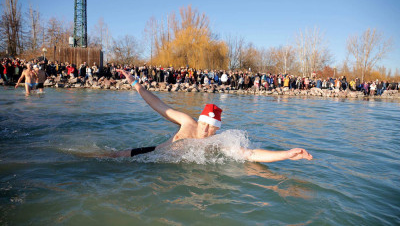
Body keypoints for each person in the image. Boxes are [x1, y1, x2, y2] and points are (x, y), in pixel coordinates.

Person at [106, 69, 313, 163]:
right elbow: (157, 104)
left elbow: (250, 155)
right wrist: (134, 83)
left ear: (217, 130)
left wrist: (286, 154)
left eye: (210, 128)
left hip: (167, 169)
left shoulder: (216, 143)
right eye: (204, 124)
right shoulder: (187, 122)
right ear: (200, 119)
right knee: (109, 157)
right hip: (149, 155)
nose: (204, 130)